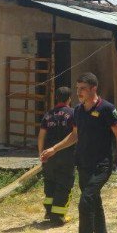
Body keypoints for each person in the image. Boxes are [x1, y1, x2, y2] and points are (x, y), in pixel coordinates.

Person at [41, 73, 117, 233]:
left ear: (93, 88)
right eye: (77, 88)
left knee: (86, 201)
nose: (78, 92)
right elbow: (74, 136)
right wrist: (54, 149)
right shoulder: (78, 112)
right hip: (83, 164)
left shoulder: (107, 109)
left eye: (82, 88)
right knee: (93, 202)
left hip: (102, 165)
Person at [38, 86, 75, 225]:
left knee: (50, 183)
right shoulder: (73, 113)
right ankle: (58, 217)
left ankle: (49, 212)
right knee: (64, 184)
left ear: (56, 98)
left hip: (48, 155)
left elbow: (41, 136)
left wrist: (41, 153)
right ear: (69, 98)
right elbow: (75, 134)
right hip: (66, 155)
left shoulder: (48, 115)